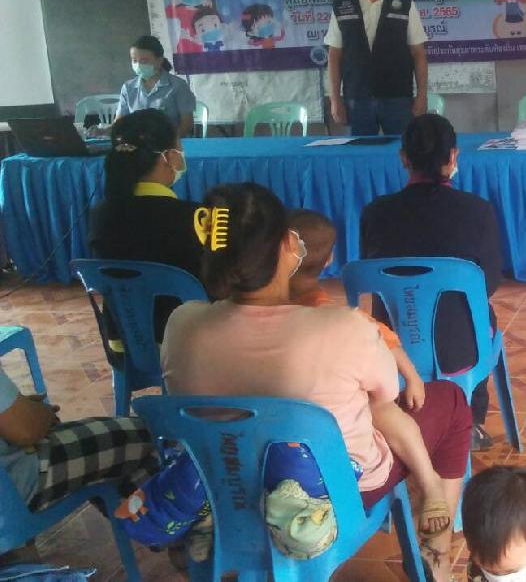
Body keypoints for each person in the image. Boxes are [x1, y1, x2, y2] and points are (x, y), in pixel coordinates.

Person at [162, 183, 470, 580]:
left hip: (225, 487)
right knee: (451, 401)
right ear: (287, 245)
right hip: (333, 494)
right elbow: (388, 394)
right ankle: (437, 554)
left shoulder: (182, 325)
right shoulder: (342, 327)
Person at [284, 207, 453, 531]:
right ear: (330, 259)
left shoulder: (240, 319)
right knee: (382, 406)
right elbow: (385, 351)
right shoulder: (344, 321)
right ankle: (429, 480)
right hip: (337, 454)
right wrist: (413, 377)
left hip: (277, 450)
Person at [360, 114, 504, 452]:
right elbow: (489, 283)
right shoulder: (477, 211)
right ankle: (471, 420)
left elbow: (370, 275)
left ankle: (401, 415)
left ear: (403, 158)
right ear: (453, 157)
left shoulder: (375, 213)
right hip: (459, 349)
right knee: (481, 315)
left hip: (391, 345)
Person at [88, 108, 203, 354]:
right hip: (184, 347)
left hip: (123, 342)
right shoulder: (197, 217)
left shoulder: (99, 215)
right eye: (179, 146)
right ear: (168, 157)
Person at [0, 365, 155, 524]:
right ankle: (145, 525)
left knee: (96, 455)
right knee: (154, 435)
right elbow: (26, 431)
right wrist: (43, 413)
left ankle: (124, 510)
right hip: (18, 487)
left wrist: (23, 410)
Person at [325, 0, 429, 136]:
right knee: (362, 151)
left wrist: (422, 95)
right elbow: (334, 55)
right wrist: (335, 99)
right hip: (357, 98)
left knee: (402, 149)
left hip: (398, 97)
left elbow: (418, 53)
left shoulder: (404, 3)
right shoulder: (342, 4)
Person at [115, 35, 196, 138]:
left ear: (159, 60)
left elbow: (187, 124)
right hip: (137, 143)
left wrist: (169, 142)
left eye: (144, 61)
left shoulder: (178, 86)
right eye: (134, 60)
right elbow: (119, 123)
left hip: (170, 142)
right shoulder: (128, 88)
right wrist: (102, 132)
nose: (138, 65)